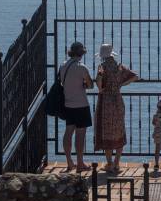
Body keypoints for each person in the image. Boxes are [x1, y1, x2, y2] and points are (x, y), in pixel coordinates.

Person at [94, 43, 138, 173]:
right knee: (119, 130)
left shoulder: (102, 67)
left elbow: (99, 86)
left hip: (106, 101)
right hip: (118, 100)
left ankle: (109, 163)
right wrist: (121, 84)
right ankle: (117, 163)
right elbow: (134, 76)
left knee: (107, 131)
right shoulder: (119, 67)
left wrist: (100, 78)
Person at [59, 42, 94, 173]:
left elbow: (62, 82)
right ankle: (80, 163)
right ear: (81, 53)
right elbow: (90, 85)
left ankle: (69, 162)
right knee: (80, 134)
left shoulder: (63, 66)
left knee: (68, 132)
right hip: (81, 105)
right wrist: (84, 84)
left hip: (68, 104)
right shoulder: (82, 67)